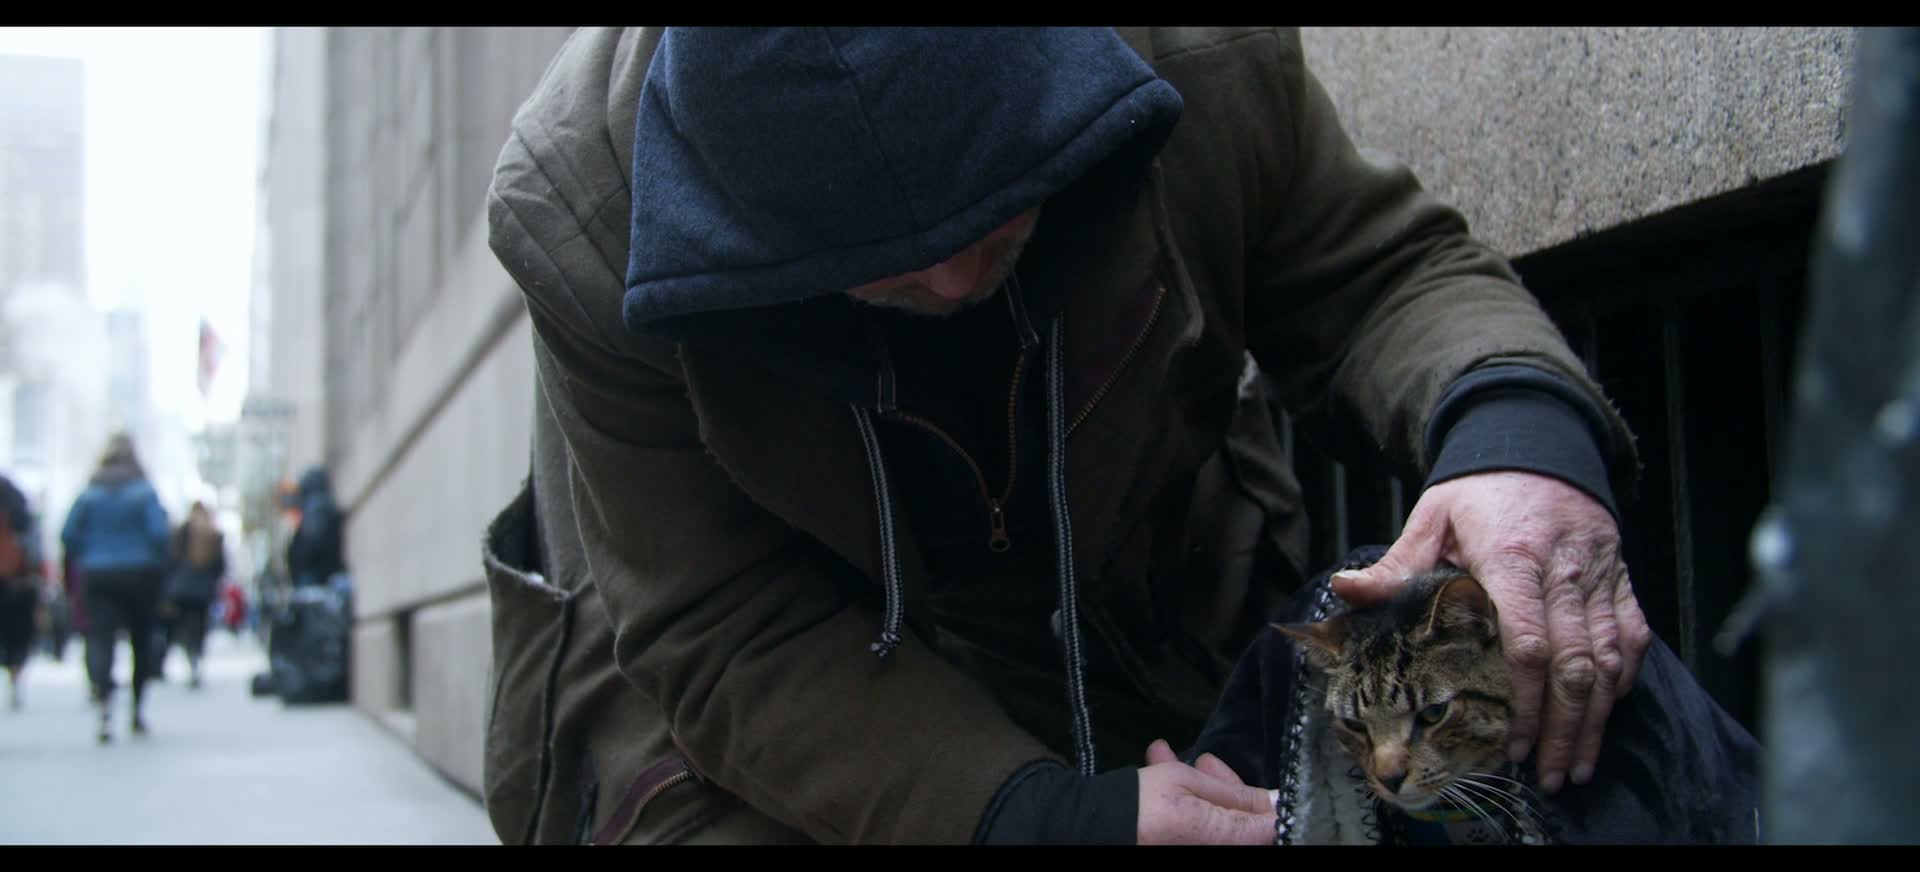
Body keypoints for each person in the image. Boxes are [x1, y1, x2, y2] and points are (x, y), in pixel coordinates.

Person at [479, 27, 1648, 844]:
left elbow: (1379, 275)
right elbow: (725, 624)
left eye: (997, 204)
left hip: (1153, 613)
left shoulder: (1197, 50)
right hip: (761, 739)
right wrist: (1037, 817)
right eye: (880, 254)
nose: (954, 278)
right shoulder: (581, 215)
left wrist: (1518, 434)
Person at [61, 433, 171, 743]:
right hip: (139, 573)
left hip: (98, 573)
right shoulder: (144, 491)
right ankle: (136, 711)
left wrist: (90, 552)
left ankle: (104, 706)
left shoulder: (90, 493)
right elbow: (160, 534)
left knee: (100, 637)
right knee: (141, 639)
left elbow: (68, 534)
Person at [160, 501, 226, 689]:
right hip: (204, 588)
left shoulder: (182, 531)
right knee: (200, 626)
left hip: (183, 587)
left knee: (185, 625)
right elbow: (220, 565)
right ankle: (196, 654)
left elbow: (171, 559)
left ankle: (190, 653)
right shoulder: (213, 533)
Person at [1, 471, 41, 710]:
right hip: (16, 578)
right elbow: (32, 542)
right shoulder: (19, 507)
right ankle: (15, 670)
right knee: (17, 631)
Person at [285, 467, 344, 589]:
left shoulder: (316, 509)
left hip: (317, 578)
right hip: (324, 575)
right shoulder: (320, 506)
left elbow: (312, 544)